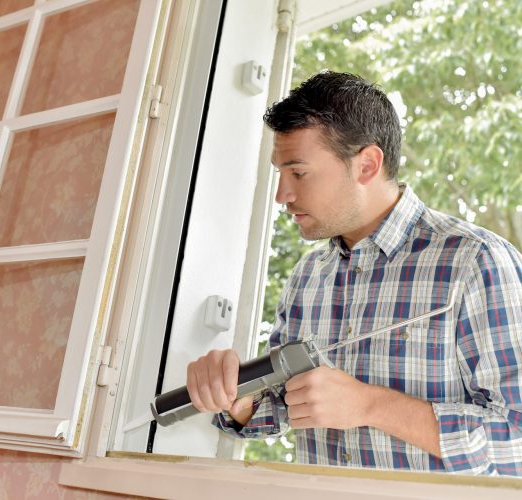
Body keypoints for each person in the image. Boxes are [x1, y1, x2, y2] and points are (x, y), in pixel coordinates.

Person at [185, 71, 522, 475]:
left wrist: (371, 405)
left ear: (367, 164)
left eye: (298, 172)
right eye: (280, 174)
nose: (282, 195)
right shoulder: (307, 277)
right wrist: (236, 399)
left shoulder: (476, 262)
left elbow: (515, 437)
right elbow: (281, 406)